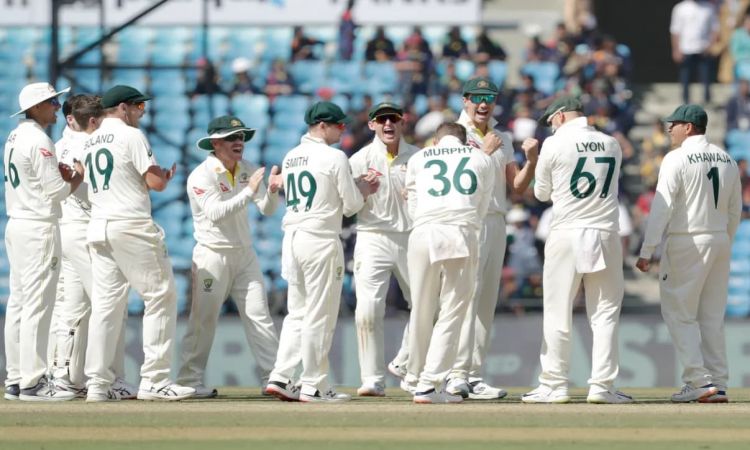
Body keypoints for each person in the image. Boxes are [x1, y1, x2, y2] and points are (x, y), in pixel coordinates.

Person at [82, 85, 194, 402]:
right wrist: (164, 176)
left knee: (106, 308)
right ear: (122, 107)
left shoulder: (90, 141)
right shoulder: (130, 136)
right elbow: (155, 182)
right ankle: (155, 380)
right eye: (139, 107)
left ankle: (97, 384)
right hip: (129, 224)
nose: (142, 112)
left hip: (99, 226)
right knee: (161, 295)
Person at [264, 101, 379, 403]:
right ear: (323, 126)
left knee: (297, 313)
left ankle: (281, 376)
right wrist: (364, 190)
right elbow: (352, 205)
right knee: (320, 315)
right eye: (339, 125)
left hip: (292, 238)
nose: (343, 130)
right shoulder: (334, 156)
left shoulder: (291, 156)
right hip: (320, 239)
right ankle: (313, 384)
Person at [523, 96, 631, 404]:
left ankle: (554, 384)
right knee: (606, 313)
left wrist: (536, 159)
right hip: (606, 232)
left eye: (551, 121)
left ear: (559, 117)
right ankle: (603, 386)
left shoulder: (554, 145)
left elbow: (542, 193)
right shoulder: (611, 143)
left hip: (568, 231)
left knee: (558, 311)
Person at [636, 104, 741, 403]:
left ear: (690, 127)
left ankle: (698, 380)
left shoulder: (677, 158)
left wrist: (648, 249)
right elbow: (735, 210)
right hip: (719, 239)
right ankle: (718, 382)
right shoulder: (727, 158)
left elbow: (662, 207)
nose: (669, 128)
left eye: (675, 124)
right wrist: (724, 240)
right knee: (710, 316)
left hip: (687, 240)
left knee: (678, 313)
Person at [446, 77, 537, 400]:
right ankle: (454, 373)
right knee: (464, 297)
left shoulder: (503, 136)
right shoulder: (452, 134)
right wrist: (483, 154)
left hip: (496, 220)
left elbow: (517, 186)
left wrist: (532, 161)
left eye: (489, 98)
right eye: (477, 98)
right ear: (465, 100)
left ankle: (472, 374)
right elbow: (455, 181)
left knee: (485, 301)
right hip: (467, 220)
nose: (483, 104)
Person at [177, 115, 281, 398]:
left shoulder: (247, 168)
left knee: (259, 316)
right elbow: (216, 212)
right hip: (213, 256)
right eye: (232, 138)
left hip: (244, 255)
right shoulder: (201, 175)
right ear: (215, 143)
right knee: (204, 320)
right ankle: (189, 380)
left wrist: (270, 191)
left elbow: (267, 210)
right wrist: (249, 191)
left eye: (242, 137)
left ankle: (274, 378)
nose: (239, 142)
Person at [51, 94, 137, 399]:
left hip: (69, 231)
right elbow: (93, 192)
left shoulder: (61, 145)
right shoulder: (83, 146)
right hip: (87, 230)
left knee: (74, 308)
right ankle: (111, 379)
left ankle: (66, 378)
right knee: (109, 305)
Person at [403, 122, 495, 404]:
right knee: (454, 308)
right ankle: (429, 383)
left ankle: (413, 376)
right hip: (459, 229)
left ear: (436, 139)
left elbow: (412, 202)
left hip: (422, 231)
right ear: (465, 140)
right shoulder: (481, 158)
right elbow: (483, 204)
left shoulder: (418, 157)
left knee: (421, 306)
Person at [3, 82, 81, 401]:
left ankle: (16, 378)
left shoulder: (15, 136)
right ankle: (33, 382)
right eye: (51, 101)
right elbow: (57, 192)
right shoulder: (39, 140)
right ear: (35, 107)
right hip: (39, 226)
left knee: (19, 303)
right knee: (37, 304)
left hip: (18, 224)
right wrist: (76, 175)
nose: (57, 106)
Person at [349, 102, 419, 396]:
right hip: (372, 235)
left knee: (428, 306)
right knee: (367, 310)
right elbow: (347, 206)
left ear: (403, 123)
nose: (388, 124)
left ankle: (406, 363)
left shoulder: (418, 157)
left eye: (393, 119)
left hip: (412, 237)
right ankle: (372, 379)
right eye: (382, 120)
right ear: (372, 125)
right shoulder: (359, 159)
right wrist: (360, 191)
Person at [670, 0, 719, 104]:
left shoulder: (709, 8)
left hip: (703, 49)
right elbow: (675, 31)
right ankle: (685, 101)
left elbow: (715, 29)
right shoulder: (680, 8)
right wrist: (676, 49)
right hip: (686, 49)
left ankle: (707, 100)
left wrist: (710, 46)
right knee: (685, 77)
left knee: (705, 76)